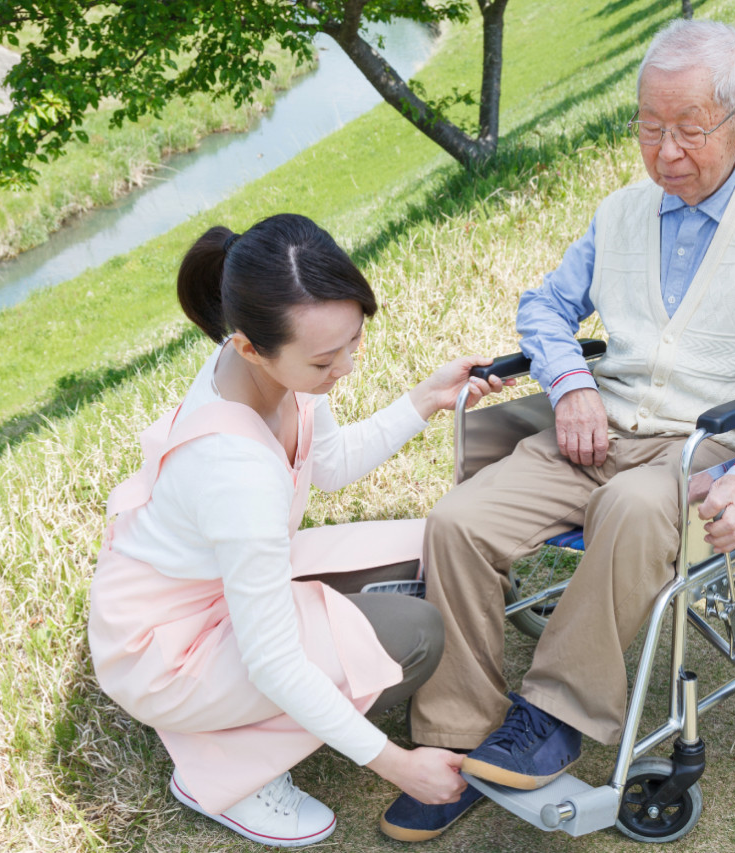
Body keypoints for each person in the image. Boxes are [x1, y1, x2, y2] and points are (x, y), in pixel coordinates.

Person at [380, 18, 735, 840]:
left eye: (689, 130)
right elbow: (545, 307)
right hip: (594, 431)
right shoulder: (623, 211)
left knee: (634, 508)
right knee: (456, 522)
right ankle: (452, 742)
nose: (665, 152)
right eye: (647, 127)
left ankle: (552, 713)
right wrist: (567, 385)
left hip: (706, 445)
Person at [87, 213, 504, 848]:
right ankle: (226, 771)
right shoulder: (235, 470)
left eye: (353, 343)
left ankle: (244, 717)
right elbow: (275, 661)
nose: (346, 367)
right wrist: (397, 764)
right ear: (251, 345)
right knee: (413, 636)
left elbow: (330, 465)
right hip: (168, 652)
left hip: (222, 589)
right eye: (325, 359)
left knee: (444, 545)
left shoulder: (278, 365)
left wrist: (425, 399)